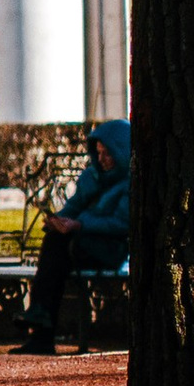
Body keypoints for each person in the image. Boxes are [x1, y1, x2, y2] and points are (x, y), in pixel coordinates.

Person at [19, 120, 132, 355]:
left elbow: (122, 223)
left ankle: (40, 323)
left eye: (108, 153)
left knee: (56, 249)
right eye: (98, 153)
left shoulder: (129, 182)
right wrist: (58, 221)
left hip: (109, 248)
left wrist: (80, 225)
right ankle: (41, 326)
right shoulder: (93, 177)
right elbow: (74, 205)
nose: (102, 159)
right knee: (56, 244)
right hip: (77, 245)